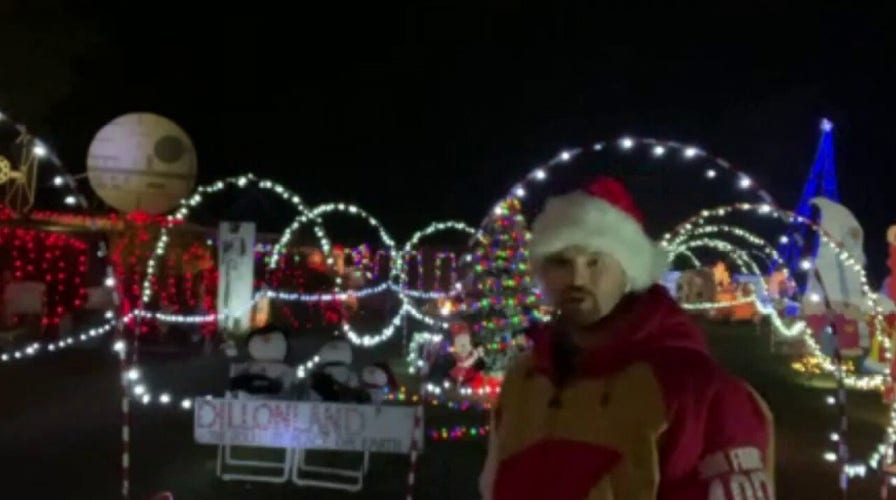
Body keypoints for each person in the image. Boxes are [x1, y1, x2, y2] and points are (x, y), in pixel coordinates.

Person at [479, 177, 774, 500]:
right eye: (561, 262)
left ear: (629, 270)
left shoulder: (701, 393)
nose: (577, 278)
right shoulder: (525, 377)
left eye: (595, 262)